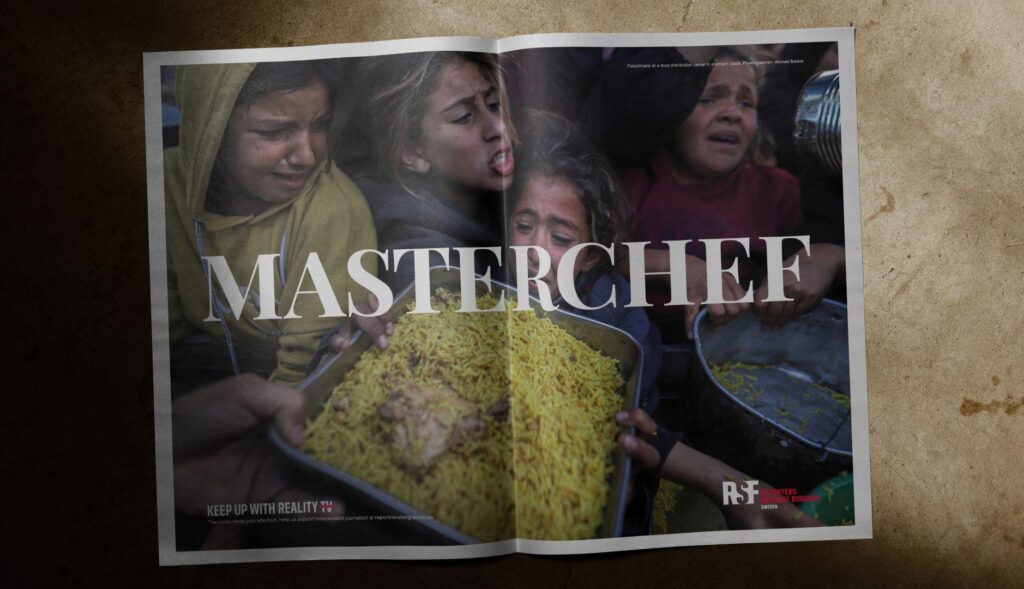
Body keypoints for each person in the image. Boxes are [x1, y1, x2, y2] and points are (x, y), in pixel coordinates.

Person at [164, 61, 381, 386]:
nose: (306, 156)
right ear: (210, 131)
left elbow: (304, 377)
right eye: (275, 132)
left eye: (320, 124)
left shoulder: (334, 211)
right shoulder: (165, 183)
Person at [622, 46, 807, 340]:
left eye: (747, 104)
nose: (732, 113)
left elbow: (799, 269)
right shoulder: (632, 186)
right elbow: (598, 259)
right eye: (709, 98)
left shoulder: (777, 191)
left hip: (737, 354)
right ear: (671, 108)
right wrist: (679, 267)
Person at [504, 110, 662, 415]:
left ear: (590, 255)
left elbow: (628, 404)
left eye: (561, 238)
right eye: (524, 227)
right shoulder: (485, 287)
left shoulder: (621, 320)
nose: (534, 251)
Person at [351, 51, 516, 293]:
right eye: (463, 117)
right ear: (413, 154)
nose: (498, 126)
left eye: (493, 105)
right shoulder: (420, 260)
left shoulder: (530, 184)